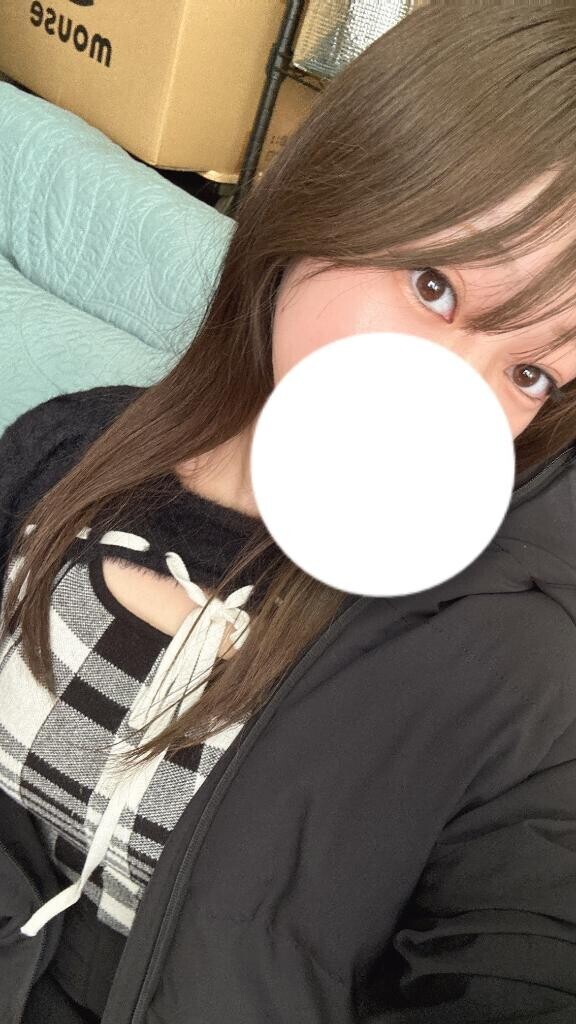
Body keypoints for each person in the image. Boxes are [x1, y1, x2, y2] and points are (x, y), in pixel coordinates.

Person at [1, 2, 576, 1021]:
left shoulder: (505, 666)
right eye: (434, 287)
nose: (447, 400)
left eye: (530, 372)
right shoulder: (71, 444)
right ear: (325, 199)